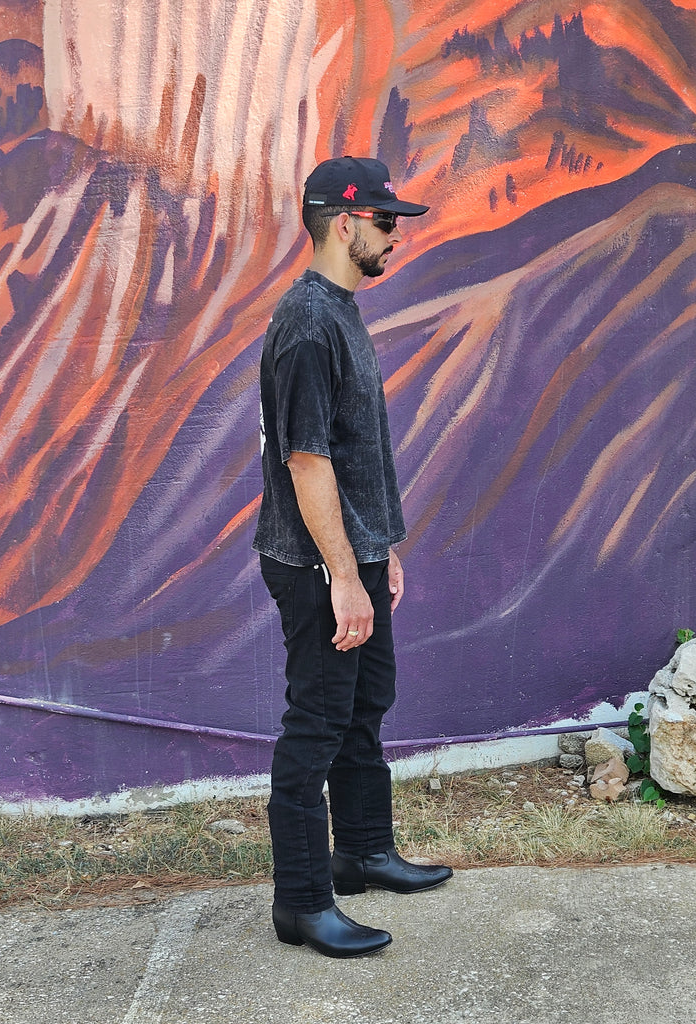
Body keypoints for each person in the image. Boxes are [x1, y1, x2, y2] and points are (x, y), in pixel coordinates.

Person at [253, 156, 452, 959]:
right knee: (318, 725)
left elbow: (354, 450)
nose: (394, 235)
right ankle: (302, 902)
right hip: (314, 566)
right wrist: (342, 575)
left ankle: (363, 851)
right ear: (345, 223)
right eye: (386, 221)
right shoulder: (307, 323)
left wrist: (382, 553)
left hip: (353, 554)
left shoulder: (340, 310)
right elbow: (306, 461)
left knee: (365, 706)